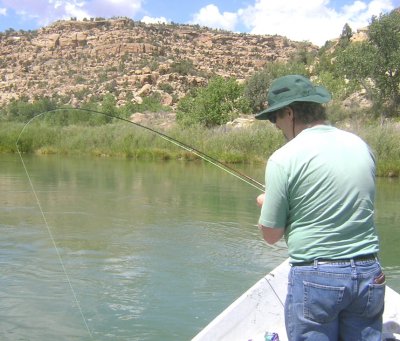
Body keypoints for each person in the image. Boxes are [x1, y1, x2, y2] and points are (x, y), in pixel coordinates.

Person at [255, 75, 385, 341]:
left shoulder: (283, 159)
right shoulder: (362, 146)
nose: (276, 126)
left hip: (316, 279)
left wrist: (267, 204)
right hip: (369, 273)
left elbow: (270, 235)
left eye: (274, 119)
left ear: (289, 113)